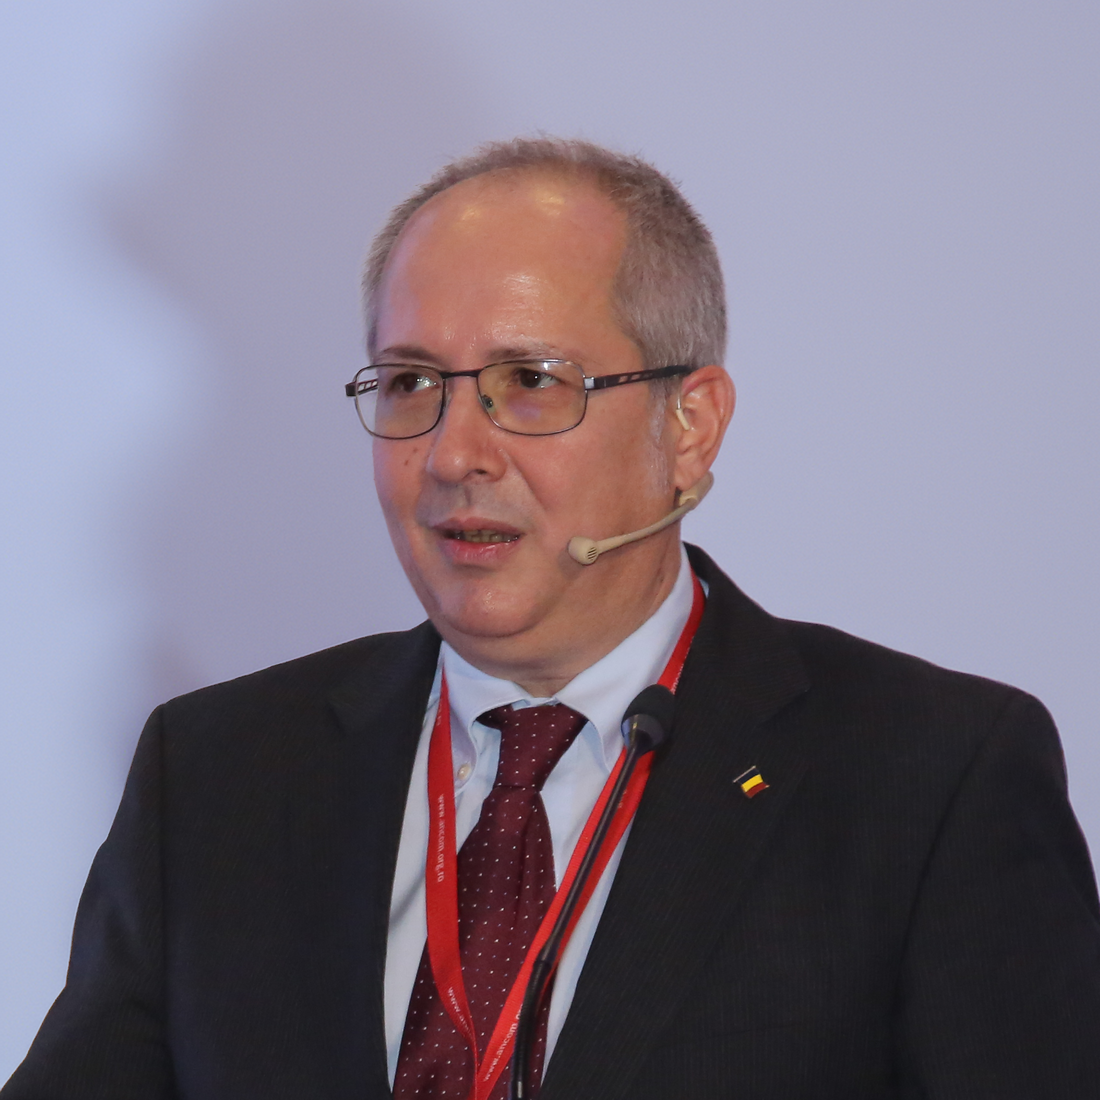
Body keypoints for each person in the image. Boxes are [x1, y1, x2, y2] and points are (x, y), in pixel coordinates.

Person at [4, 137, 1100, 1100]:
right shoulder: (217, 776)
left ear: (688, 426)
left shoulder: (930, 780)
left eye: (530, 380)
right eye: (409, 383)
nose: (453, 453)